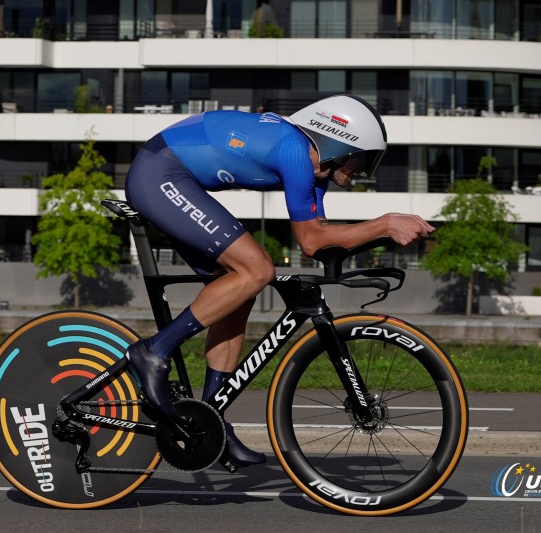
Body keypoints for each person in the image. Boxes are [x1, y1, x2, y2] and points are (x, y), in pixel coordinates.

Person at [124, 94, 434, 466]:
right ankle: (152, 352)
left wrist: (380, 242)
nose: (363, 170)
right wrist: (384, 223)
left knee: (241, 290)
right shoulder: (294, 151)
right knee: (258, 270)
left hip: (177, 177)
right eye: (361, 157)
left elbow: (319, 244)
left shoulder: (316, 173)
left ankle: (211, 417)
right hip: (160, 172)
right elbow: (312, 239)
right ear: (336, 142)